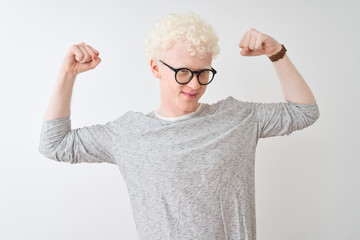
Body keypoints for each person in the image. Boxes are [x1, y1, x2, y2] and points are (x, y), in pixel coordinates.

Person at [39, 12, 319, 240]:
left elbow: (304, 112)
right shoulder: (128, 133)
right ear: (155, 68)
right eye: (183, 72)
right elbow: (55, 144)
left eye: (203, 73)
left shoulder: (237, 118)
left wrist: (278, 53)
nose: (195, 84)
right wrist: (67, 74)